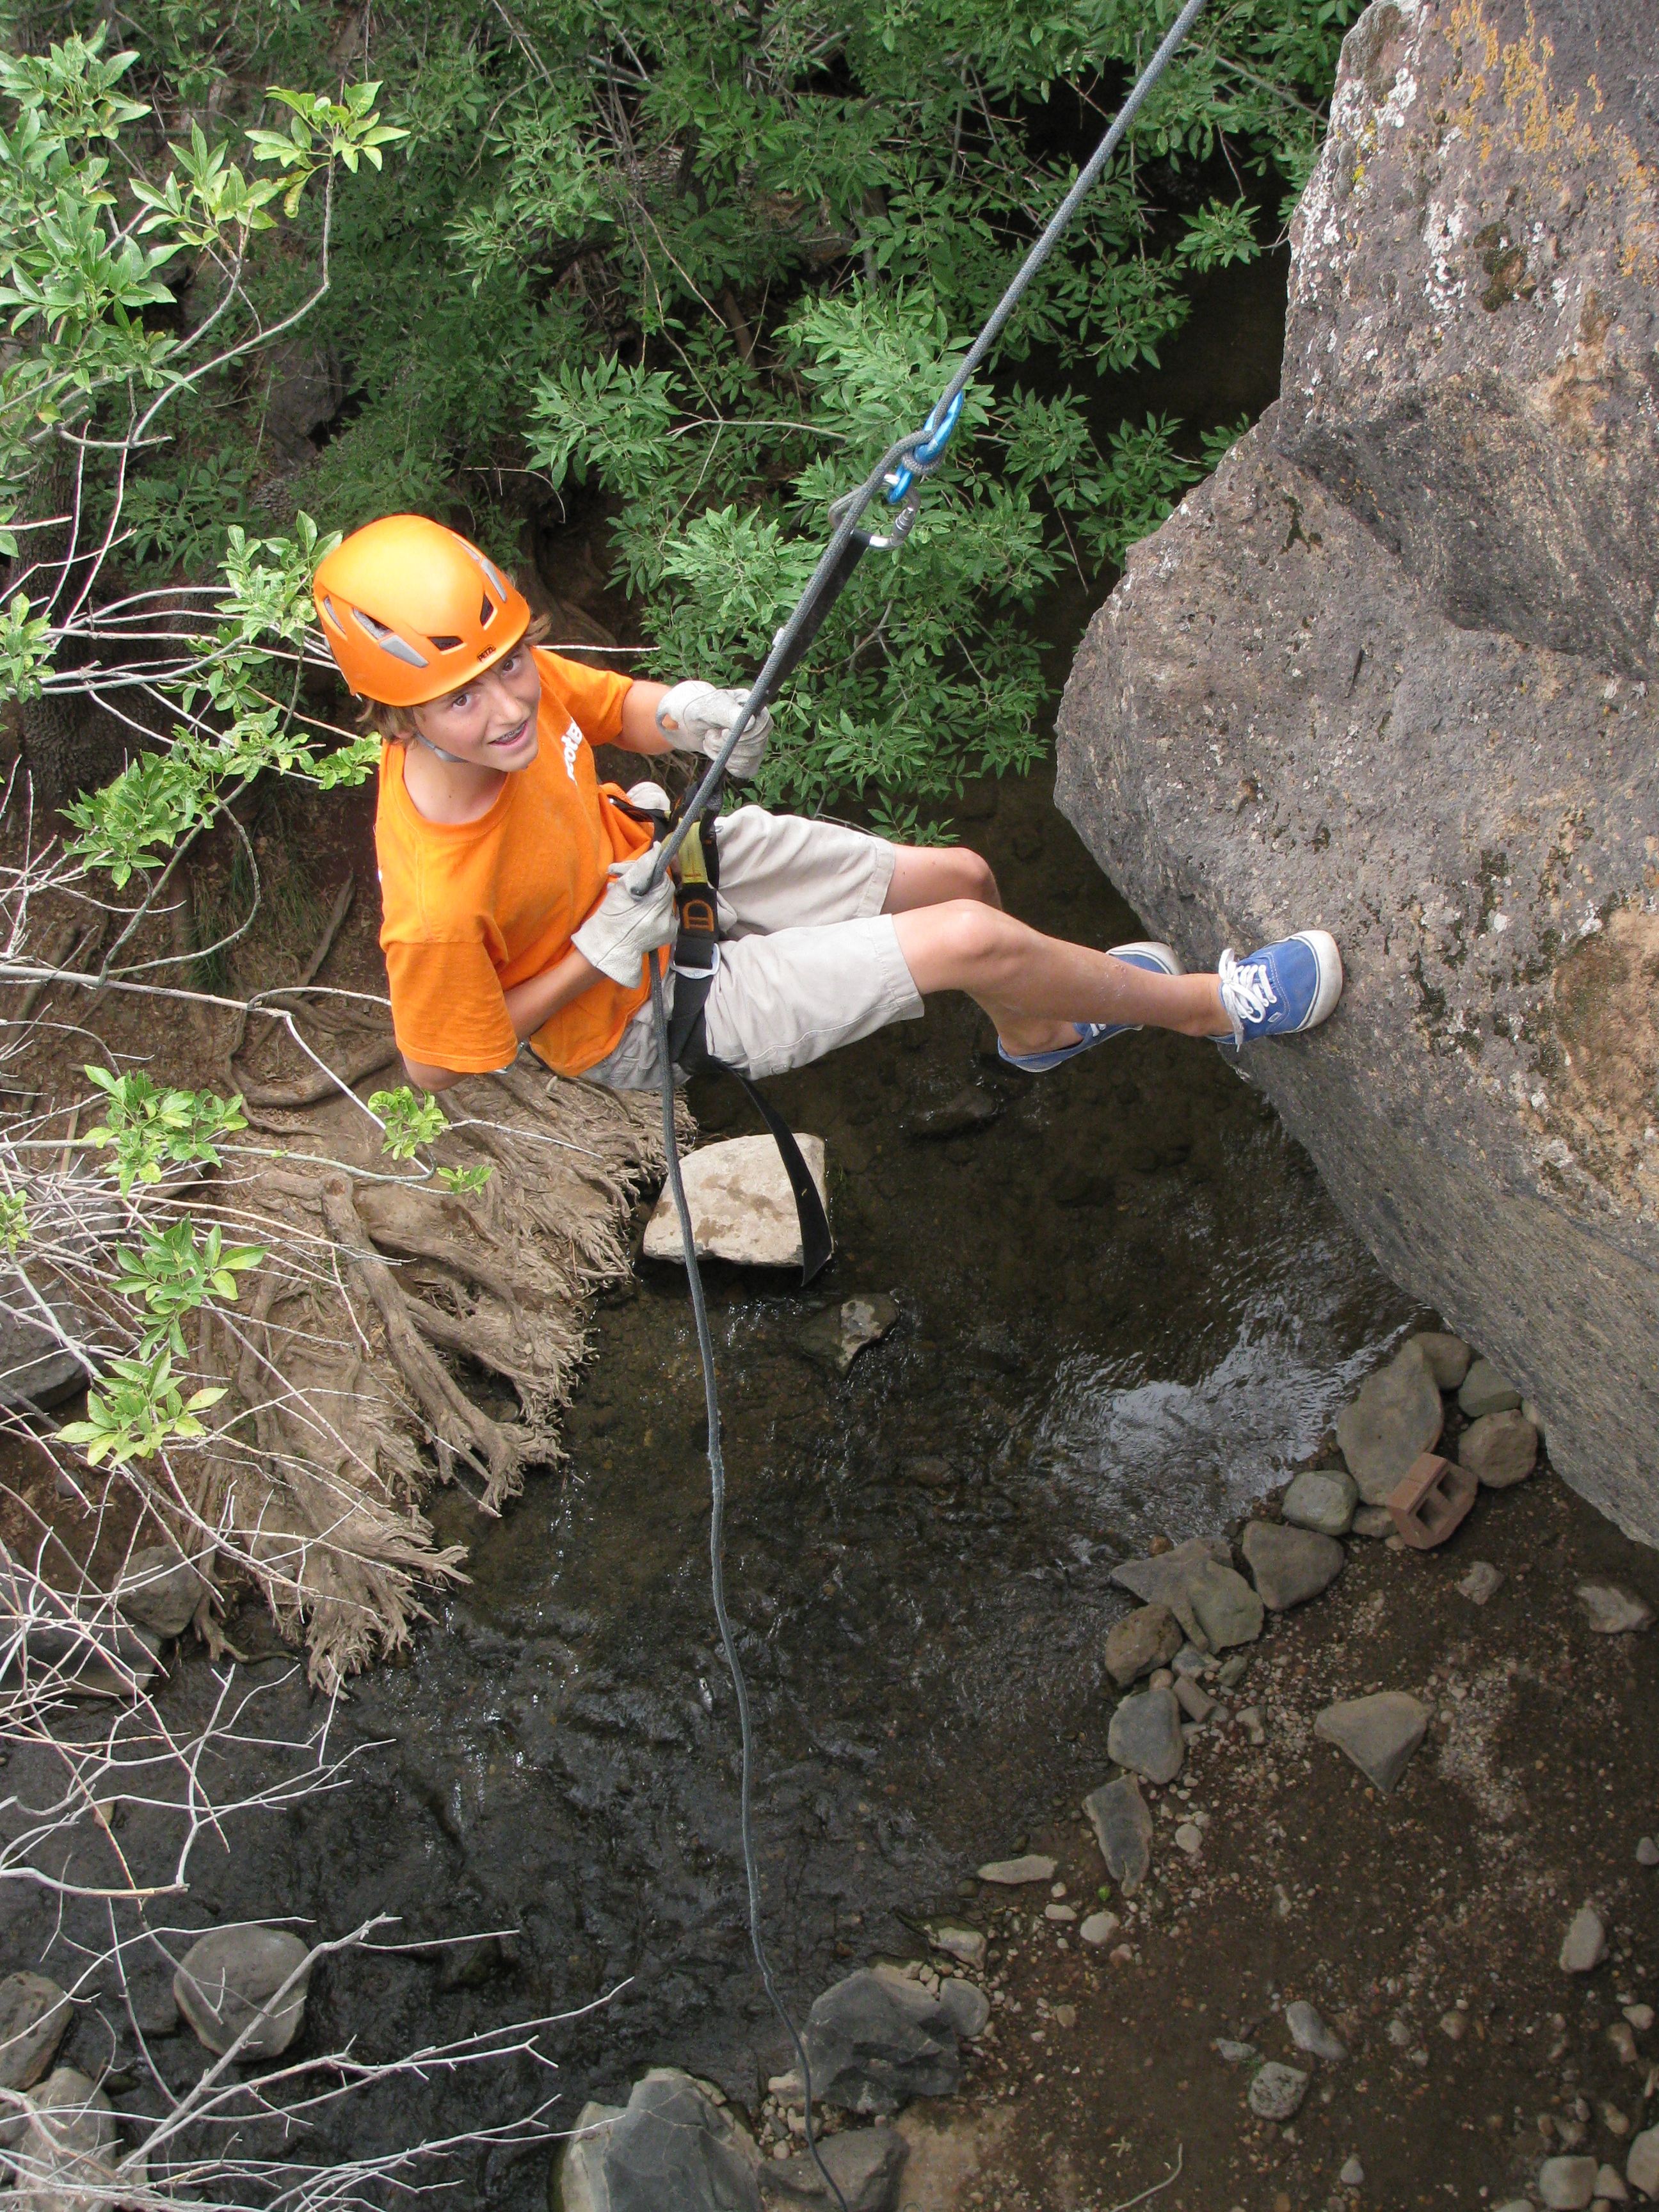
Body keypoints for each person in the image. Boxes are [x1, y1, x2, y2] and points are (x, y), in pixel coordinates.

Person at [312, 515, 1343, 1097]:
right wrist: (598, 954)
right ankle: (1219, 1010)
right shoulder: (438, 899)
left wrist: (683, 714)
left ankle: (1039, 1033)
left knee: (963, 880)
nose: (507, 708)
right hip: (640, 1008)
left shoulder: (511, 692)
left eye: (509, 667)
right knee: (972, 939)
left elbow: (606, 705)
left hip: (668, 870)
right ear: (394, 717)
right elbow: (441, 1061)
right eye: (464, 697)